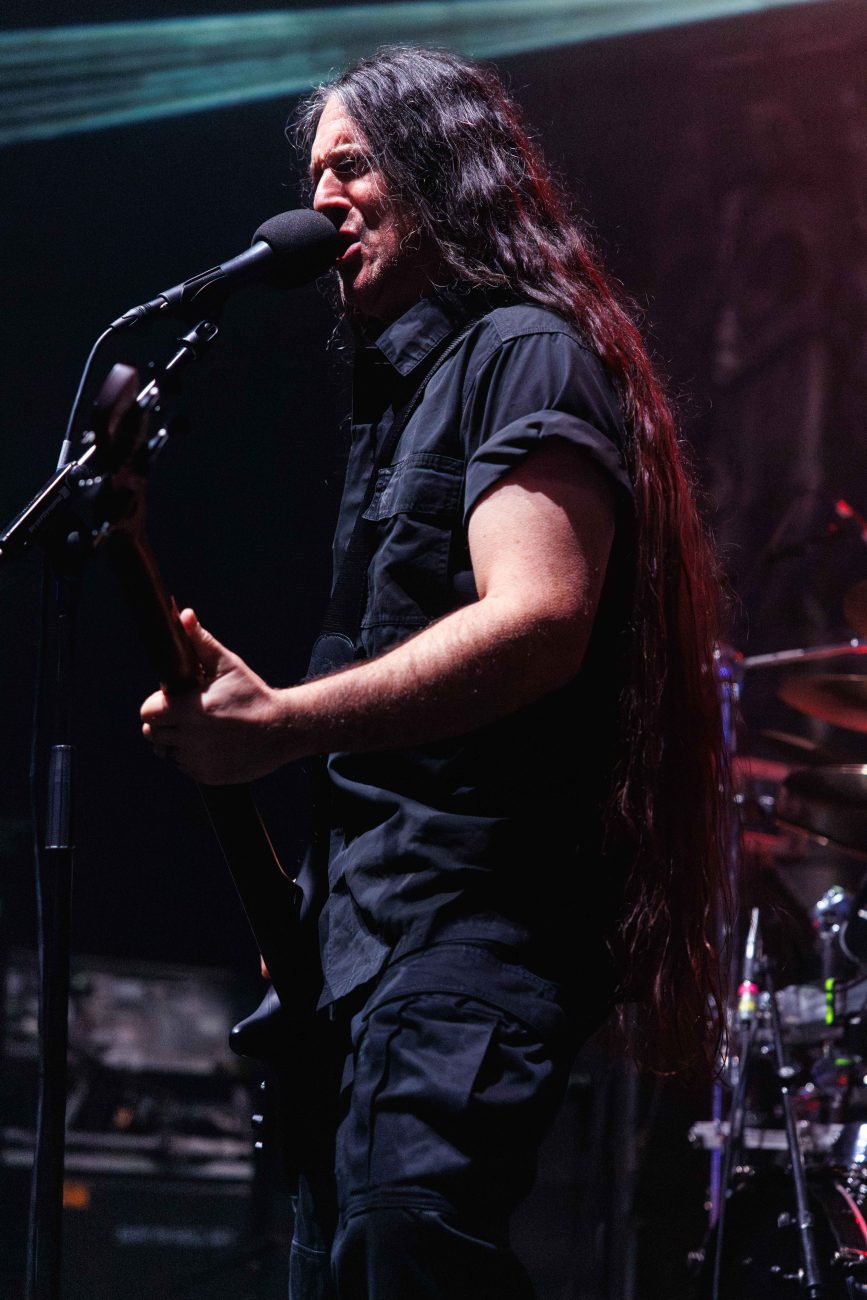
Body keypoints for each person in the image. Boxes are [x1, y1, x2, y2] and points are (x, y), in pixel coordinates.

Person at [141, 45, 730, 1299]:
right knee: (346, 1266)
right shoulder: (397, 401)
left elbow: (541, 617)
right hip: (367, 940)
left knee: (409, 1235)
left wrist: (285, 721)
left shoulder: (525, 354)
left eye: (353, 165)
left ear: (440, 171)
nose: (322, 199)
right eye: (314, 173)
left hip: (476, 921)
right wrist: (318, 906)